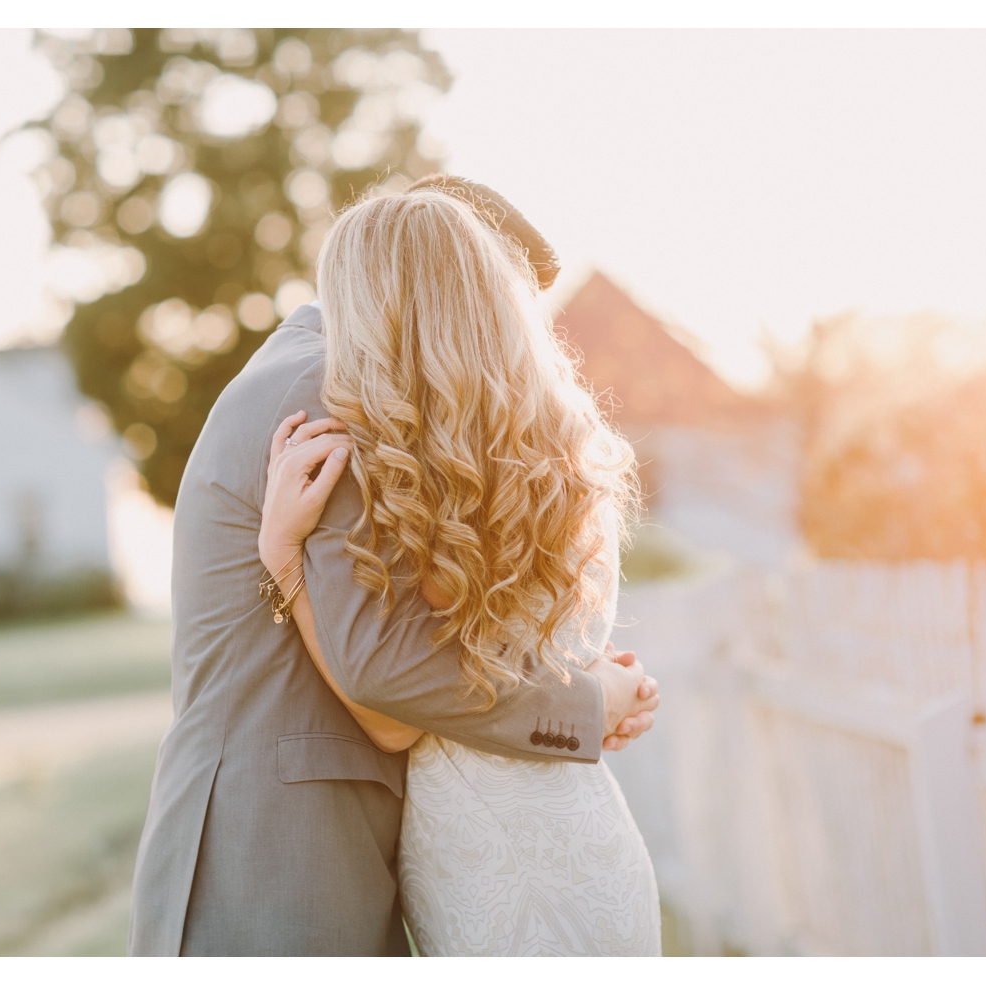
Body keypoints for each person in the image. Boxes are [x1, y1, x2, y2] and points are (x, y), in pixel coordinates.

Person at [127, 177, 660, 956]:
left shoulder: (397, 413)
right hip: (281, 847)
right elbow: (389, 673)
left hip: (403, 832)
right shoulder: (323, 389)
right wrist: (584, 700)